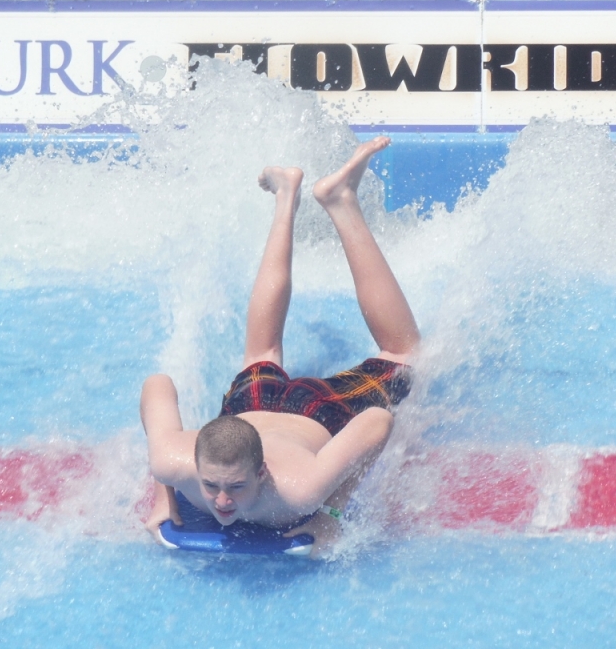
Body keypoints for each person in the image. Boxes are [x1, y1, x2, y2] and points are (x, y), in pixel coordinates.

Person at [139, 136, 420, 556]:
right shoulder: (171, 464)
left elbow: (377, 421)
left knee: (404, 355)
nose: (221, 501)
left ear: (263, 473)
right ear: (194, 468)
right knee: (261, 355)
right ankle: (286, 194)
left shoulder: (299, 489)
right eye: (210, 484)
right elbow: (156, 384)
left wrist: (331, 514)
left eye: (236, 487)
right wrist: (165, 496)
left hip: (314, 410)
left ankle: (341, 202)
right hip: (249, 408)